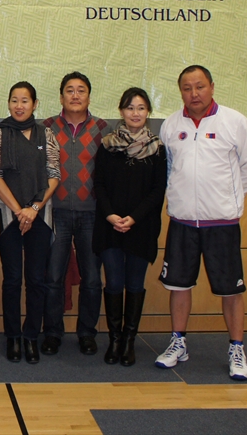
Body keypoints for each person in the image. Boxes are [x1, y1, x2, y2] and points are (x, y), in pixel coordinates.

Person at [155, 65, 247, 381]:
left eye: (200, 86)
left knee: (231, 289)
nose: (194, 93)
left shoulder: (234, 122)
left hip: (222, 224)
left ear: (212, 87)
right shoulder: (171, 125)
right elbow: (169, 169)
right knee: (178, 285)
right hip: (183, 221)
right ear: (181, 91)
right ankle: (178, 343)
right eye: (187, 88)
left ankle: (237, 349)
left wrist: (226, 199)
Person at [92, 87, 167, 366]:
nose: (135, 113)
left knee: (135, 284)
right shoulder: (107, 145)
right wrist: (111, 216)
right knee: (113, 283)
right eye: (130, 108)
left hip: (141, 226)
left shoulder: (157, 148)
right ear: (121, 111)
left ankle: (129, 341)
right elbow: (99, 184)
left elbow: (158, 190)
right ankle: (114, 340)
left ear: (148, 112)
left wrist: (133, 218)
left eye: (141, 108)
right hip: (109, 226)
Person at [0, 82, 60, 364]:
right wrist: (20, 211)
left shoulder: (46, 133)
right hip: (9, 216)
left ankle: (31, 336)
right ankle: (13, 337)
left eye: (25, 100)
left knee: (36, 280)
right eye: (14, 100)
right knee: (13, 279)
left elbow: (54, 174)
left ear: (35, 104)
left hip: (39, 215)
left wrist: (34, 209)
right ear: (8, 103)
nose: (19, 105)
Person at [41, 72, 109, 356]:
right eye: (70, 90)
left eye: (81, 90)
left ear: (89, 97)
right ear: (61, 97)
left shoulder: (103, 129)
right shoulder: (46, 127)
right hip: (55, 212)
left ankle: (87, 333)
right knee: (53, 277)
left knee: (92, 279)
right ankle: (52, 332)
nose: (75, 95)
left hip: (91, 214)